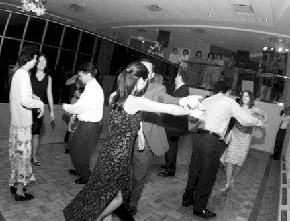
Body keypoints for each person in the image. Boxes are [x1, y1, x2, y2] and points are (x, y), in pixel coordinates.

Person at [63, 62, 204, 221]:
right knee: (119, 198)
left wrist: (139, 132)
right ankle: (91, 218)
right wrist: (191, 109)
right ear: (142, 80)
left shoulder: (114, 95)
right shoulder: (135, 101)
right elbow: (170, 109)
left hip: (107, 153)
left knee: (108, 195)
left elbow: (124, 122)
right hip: (119, 158)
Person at [127, 59, 203, 215]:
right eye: (140, 68)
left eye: (146, 70)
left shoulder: (157, 88)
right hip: (124, 138)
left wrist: (183, 101)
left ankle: (132, 203)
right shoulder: (127, 86)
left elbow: (167, 100)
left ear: (152, 75)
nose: (142, 72)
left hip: (145, 141)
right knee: (122, 172)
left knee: (138, 175)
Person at [182, 82, 266, 219]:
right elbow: (244, 120)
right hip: (211, 140)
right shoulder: (228, 101)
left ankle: (187, 199)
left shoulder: (207, 99)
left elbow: (193, 119)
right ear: (228, 91)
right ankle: (199, 208)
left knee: (194, 170)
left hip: (198, 138)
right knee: (207, 175)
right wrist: (259, 122)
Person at [9, 45, 44, 201]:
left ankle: (15, 184)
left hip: (16, 124)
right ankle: (20, 192)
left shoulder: (17, 73)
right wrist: (41, 104)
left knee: (16, 156)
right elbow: (24, 100)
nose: (37, 62)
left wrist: (34, 97)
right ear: (32, 58)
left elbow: (22, 95)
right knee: (23, 159)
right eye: (36, 58)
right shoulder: (24, 75)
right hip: (23, 126)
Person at [62, 62, 104, 185]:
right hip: (88, 124)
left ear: (87, 74)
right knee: (76, 147)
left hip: (89, 125)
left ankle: (86, 176)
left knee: (78, 150)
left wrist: (66, 107)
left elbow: (80, 107)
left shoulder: (92, 89)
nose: (79, 78)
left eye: (80, 75)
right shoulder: (92, 87)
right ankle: (80, 170)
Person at [220, 90, 267, 192]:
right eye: (243, 96)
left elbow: (262, 113)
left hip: (245, 138)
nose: (244, 98)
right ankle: (227, 183)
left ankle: (233, 178)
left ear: (251, 98)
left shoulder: (253, 109)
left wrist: (265, 118)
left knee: (238, 164)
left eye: (247, 96)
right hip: (235, 135)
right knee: (229, 161)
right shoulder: (237, 108)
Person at [158, 71, 190, 177]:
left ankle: (170, 169)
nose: (175, 78)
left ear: (180, 77)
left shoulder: (183, 89)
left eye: (177, 76)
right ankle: (169, 164)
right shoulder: (180, 89)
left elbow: (176, 106)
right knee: (171, 146)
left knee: (171, 146)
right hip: (173, 124)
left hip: (175, 125)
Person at [30, 53, 54, 166]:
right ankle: (24, 155)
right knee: (25, 134)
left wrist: (52, 111)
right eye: (40, 61)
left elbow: (49, 94)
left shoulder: (48, 78)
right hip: (27, 109)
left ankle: (33, 157)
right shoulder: (30, 75)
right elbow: (26, 92)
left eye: (45, 61)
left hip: (39, 111)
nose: (43, 63)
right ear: (36, 63)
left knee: (35, 135)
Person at [64, 88, 81, 154]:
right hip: (74, 118)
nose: (79, 93)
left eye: (79, 92)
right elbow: (75, 109)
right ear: (74, 94)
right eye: (77, 93)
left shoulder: (81, 99)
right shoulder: (74, 99)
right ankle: (68, 148)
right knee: (71, 134)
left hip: (79, 118)